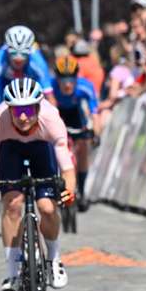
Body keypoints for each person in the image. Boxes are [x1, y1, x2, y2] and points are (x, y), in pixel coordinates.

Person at [0, 78, 76, 291]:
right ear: (9, 109)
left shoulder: (51, 119)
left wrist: (69, 191)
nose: (23, 117)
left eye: (29, 110)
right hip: (10, 150)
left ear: (38, 107)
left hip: (42, 148)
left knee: (48, 208)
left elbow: (67, 168)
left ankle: (53, 258)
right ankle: (12, 273)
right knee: (12, 204)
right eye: (17, 110)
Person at [51, 56, 99, 211]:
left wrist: (95, 133)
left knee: (83, 147)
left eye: (71, 79)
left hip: (76, 116)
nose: (67, 84)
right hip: (57, 114)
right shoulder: (50, 87)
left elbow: (95, 113)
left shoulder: (85, 87)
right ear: (57, 78)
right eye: (63, 80)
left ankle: (82, 191)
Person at [0, 25, 54, 115]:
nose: (19, 59)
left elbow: (50, 97)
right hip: (5, 88)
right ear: (7, 50)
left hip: (30, 87)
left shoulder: (38, 62)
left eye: (23, 54)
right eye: (13, 53)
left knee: (41, 104)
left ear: (29, 52)